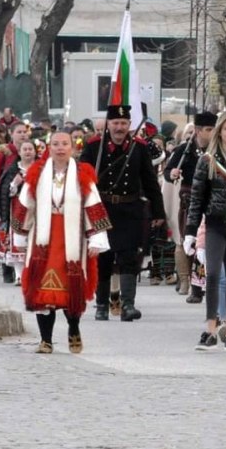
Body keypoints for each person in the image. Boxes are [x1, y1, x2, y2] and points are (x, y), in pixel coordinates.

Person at [12, 131, 111, 354]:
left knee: (71, 288)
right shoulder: (37, 173)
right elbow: (24, 205)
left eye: (64, 144)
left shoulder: (82, 174)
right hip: (42, 242)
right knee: (40, 290)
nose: (60, 148)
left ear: (72, 147)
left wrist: (97, 237)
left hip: (72, 241)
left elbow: (93, 206)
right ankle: (45, 340)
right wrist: (20, 234)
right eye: (55, 144)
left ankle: (73, 327)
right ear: (49, 147)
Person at [80, 104, 166, 321]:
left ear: (129, 125)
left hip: (130, 209)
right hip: (102, 209)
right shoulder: (93, 147)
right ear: (108, 124)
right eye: (115, 123)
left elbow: (150, 181)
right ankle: (101, 305)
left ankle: (128, 305)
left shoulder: (138, 147)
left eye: (123, 123)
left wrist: (158, 211)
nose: (119, 127)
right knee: (103, 257)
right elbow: (81, 179)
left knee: (129, 257)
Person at [184, 112, 226, 352]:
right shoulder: (207, 160)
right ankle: (210, 329)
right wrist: (191, 231)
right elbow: (197, 197)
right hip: (214, 223)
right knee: (212, 274)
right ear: (219, 131)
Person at [164, 112, 216, 300]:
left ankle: (200, 285)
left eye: (213, 129)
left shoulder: (217, 148)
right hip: (190, 200)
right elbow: (168, 170)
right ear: (198, 131)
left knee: (205, 245)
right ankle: (187, 281)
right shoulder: (185, 149)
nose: (211, 133)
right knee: (189, 242)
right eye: (208, 130)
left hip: (212, 199)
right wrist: (173, 173)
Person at [0, 140, 37, 285]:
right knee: (17, 241)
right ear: (19, 152)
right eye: (25, 149)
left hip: (36, 210)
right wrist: (15, 184)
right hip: (16, 210)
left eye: (30, 149)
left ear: (35, 152)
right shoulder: (12, 170)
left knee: (33, 242)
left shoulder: (41, 169)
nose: (28, 151)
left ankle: (30, 274)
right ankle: (18, 275)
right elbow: (5, 191)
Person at [0, 122, 29, 186]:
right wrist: (3, 188)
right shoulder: (4, 151)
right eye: (19, 132)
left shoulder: (32, 151)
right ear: (11, 134)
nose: (23, 134)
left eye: (25, 132)